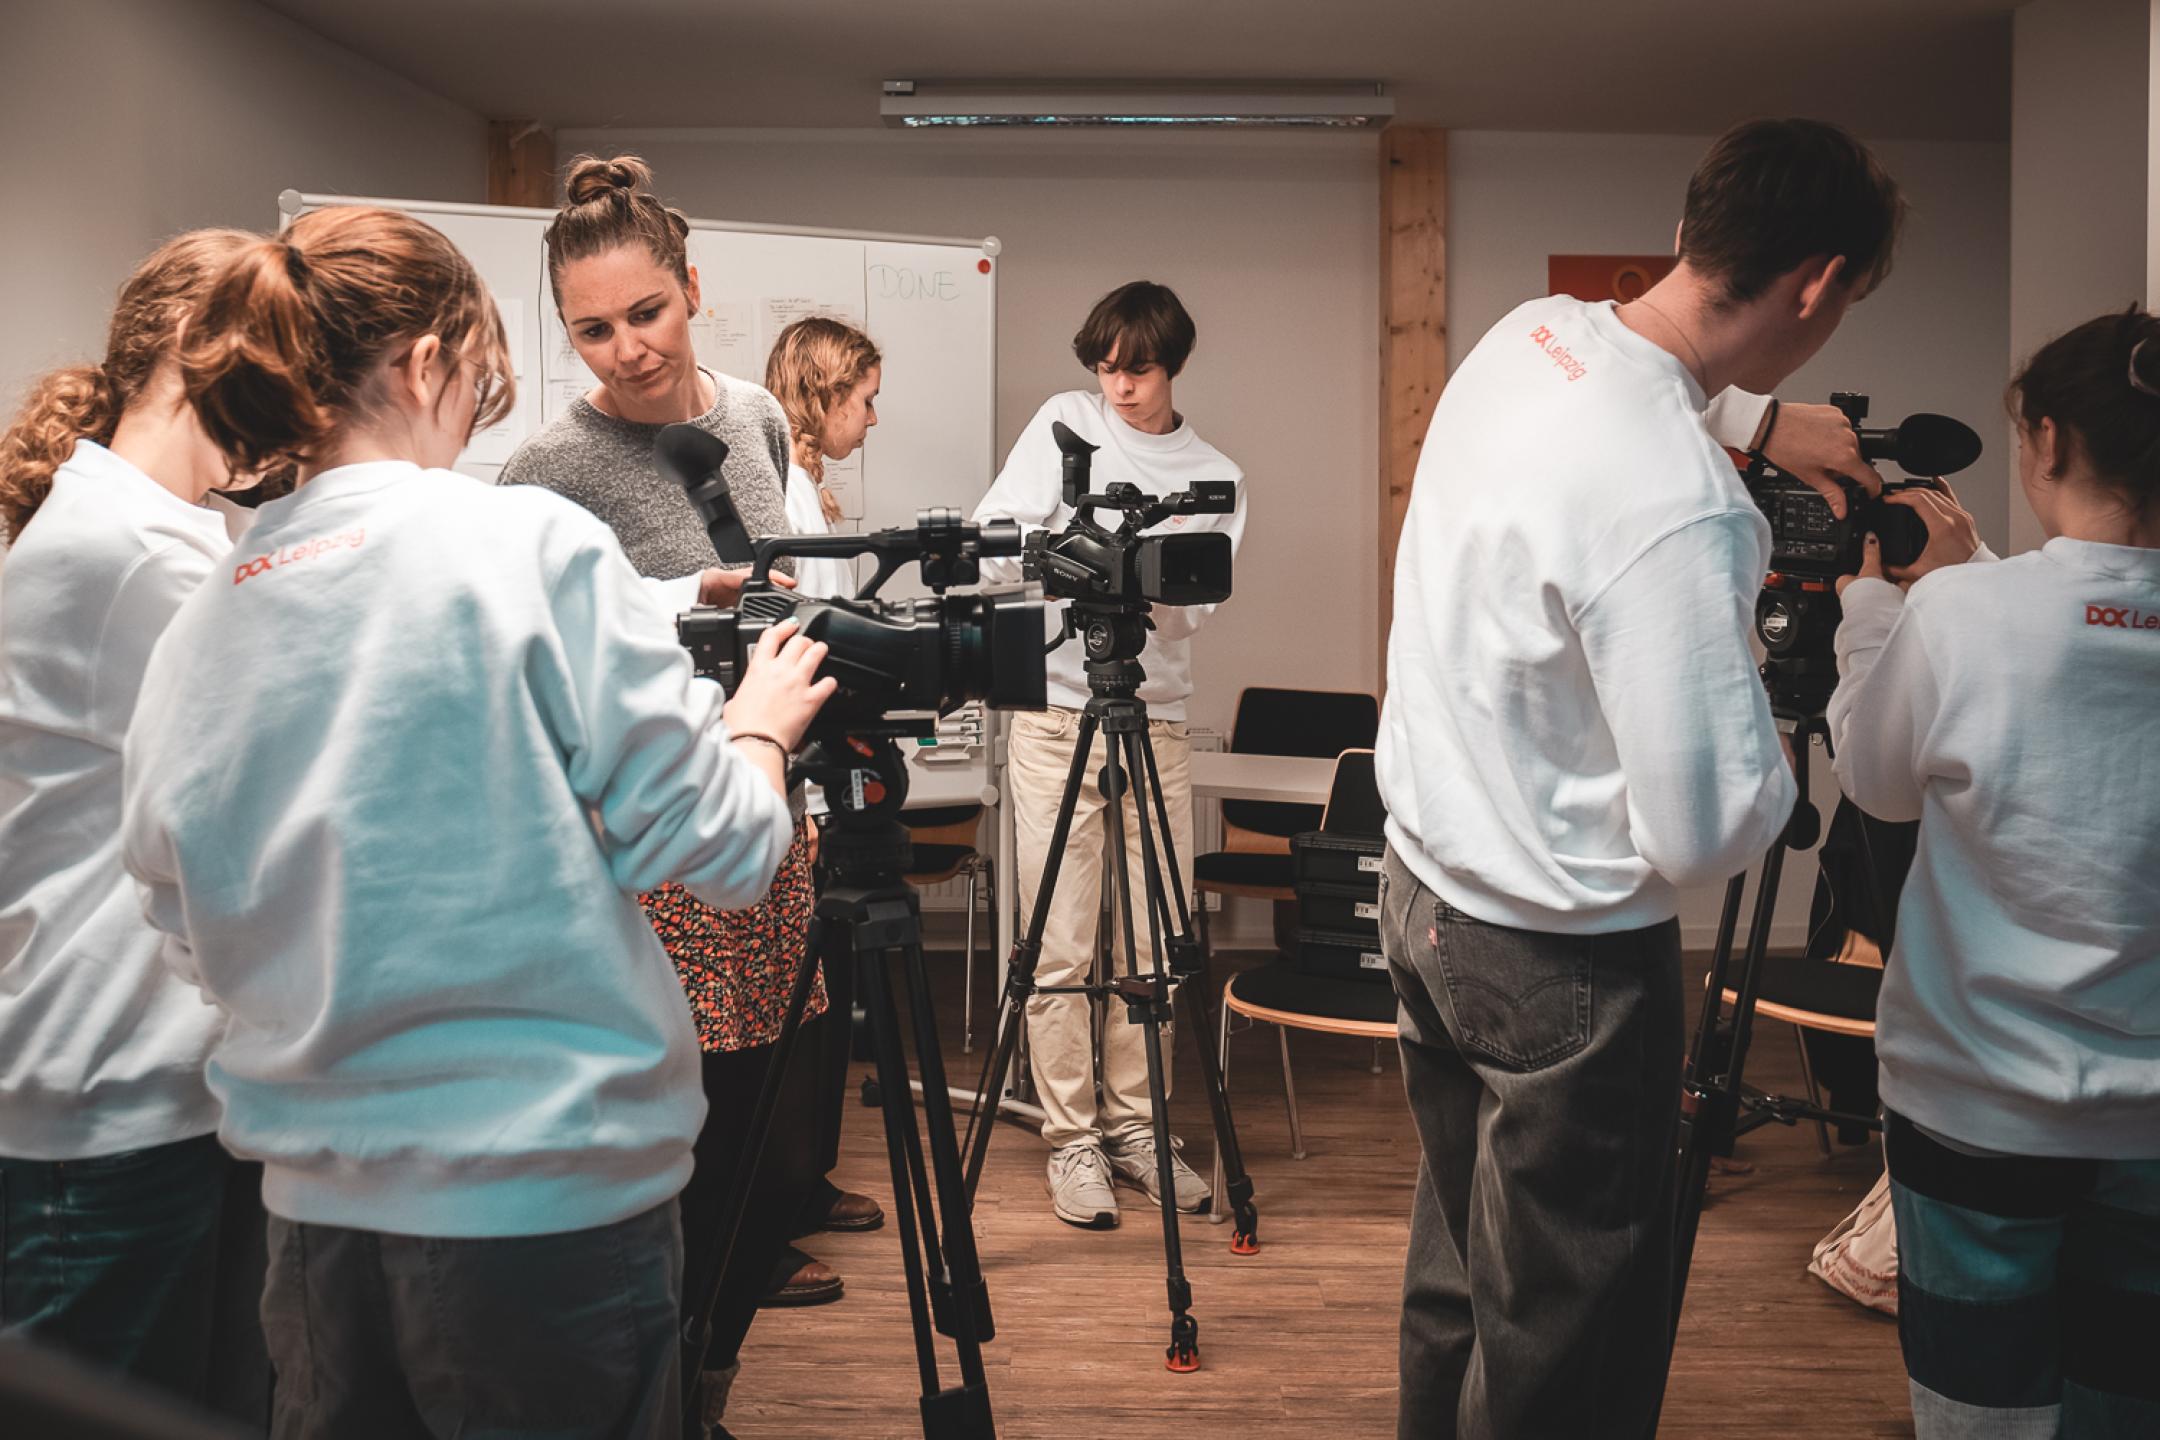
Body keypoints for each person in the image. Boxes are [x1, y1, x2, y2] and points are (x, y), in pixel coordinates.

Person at [119, 203, 834, 1440]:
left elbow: (179, 915)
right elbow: (720, 853)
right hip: (546, 1217)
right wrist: (762, 727)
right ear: (432, 360)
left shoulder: (210, 609)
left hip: (314, 1229)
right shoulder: (530, 545)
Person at [1375, 117, 1904, 1437]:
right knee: (1565, 1339)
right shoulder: (1682, 505)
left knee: (1461, 1273)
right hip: (1562, 966)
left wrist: (1762, 420)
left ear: (1688, 230)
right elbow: (1709, 830)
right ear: (1821, 285)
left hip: (1424, 891)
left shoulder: (1524, 337)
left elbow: (1633, 386)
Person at [499, 154, 880, 1435]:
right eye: (593, 329)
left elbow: (779, 587)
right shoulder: (550, 469)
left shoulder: (761, 420)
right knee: (683, 1139)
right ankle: (665, 1388)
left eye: (646, 313)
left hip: (779, 806)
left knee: (763, 1116)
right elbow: (536, 654)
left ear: (692, 290)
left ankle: (711, 1367)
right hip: (656, 834)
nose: (625, 350)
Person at [1829, 306, 2160, 1440]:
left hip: (1977, 1099)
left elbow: (1877, 784)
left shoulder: (1964, 614)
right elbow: (2106, 615)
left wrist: (1874, 615)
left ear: (2050, 443)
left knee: (1982, 1406)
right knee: (2129, 1395)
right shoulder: (1983, 599)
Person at [0, 229, 272, 1424]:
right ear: (201, 352)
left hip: (157, 1094)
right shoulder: (127, 551)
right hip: (104, 1108)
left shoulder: (169, 533)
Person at [971, 280, 1246, 1229]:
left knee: (1152, 940)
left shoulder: (1217, 473)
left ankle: (1141, 1131)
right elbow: (993, 544)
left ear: (1173, 363)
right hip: (1053, 715)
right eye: (1105, 367)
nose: (1118, 387)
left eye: (1137, 368)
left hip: (1155, 720)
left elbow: (1186, 611)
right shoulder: (1064, 425)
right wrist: (1066, 548)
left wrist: (1127, 564)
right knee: (1061, 938)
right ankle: (1073, 1142)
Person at [764, 315, 878, 602]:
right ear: (830, 393)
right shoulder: (785, 496)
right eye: (867, 401)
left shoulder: (803, 486)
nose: (873, 419)